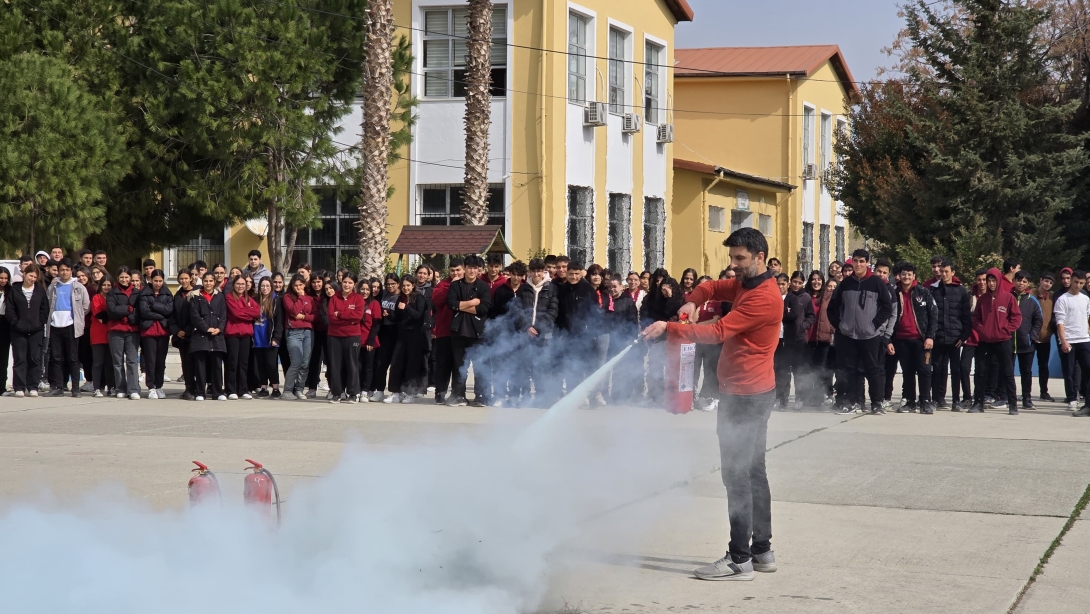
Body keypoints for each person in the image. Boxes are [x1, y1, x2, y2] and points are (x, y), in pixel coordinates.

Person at [642, 228, 782, 581]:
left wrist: (671, 327)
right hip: (749, 391)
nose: (733, 266)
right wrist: (692, 299)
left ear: (761, 257)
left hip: (745, 397)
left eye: (740, 259)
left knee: (736, 476)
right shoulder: (743, 284)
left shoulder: (763, 296)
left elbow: (718, 331)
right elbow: (711, 287)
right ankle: (762, 551)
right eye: (731, 258)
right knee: (753, 472)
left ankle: (739, 559)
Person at [827, 249, 894, 415]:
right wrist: (840, 326)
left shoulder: (876, 283)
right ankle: (854, 402)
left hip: (870, 335)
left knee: (873, 369)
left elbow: (887, 307)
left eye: (862, 261)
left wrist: (874, 325)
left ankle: (877, 403)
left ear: (867, 263)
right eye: (855, 261)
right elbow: (832, 307)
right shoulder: (845, 284)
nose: (858, 264)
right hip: (848, 335)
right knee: (850, 370)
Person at [970, 268, 1022, 415]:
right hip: (985, 341)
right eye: (989, 280)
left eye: (994, 280)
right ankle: (978, 403)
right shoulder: (982, 300)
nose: (991, 283)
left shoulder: (1008, 298)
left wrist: (1006, 330)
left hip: (1003, 341)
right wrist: (982, 330)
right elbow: (975, 318)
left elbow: (1016, 318)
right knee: (980, 372)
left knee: (1007, 372)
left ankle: (1013, 404)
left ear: (999, 281)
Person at [889, 262, 938, 413]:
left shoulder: (923, 292)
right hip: (901, 340)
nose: (906, 277)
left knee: (924, 370)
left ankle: (925, 401)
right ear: (899, 276)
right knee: (907, 372)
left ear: (914, 276)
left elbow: (933, 315)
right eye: (904, 274)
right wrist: (889, 340)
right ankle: (909, 401)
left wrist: (930, 337)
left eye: (909, 274)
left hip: (921, 340)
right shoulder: (893, 293)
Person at [447, 255, 492, 407]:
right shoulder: (455, 285)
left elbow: (484, 308)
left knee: (480, 365)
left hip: (478, 333)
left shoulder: (483, 286)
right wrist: (472, 302)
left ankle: (481, 396)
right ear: (464, 268)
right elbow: (452, 304)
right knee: (459, 366)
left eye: (475, 268)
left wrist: (462, 306)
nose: (472, 270)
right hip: (459, 331)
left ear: (479, 270)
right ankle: (458, 396)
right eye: (469, 267)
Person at [928, 259, 971, 410]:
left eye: (947, 271)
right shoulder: (933, 290)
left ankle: (956, 400)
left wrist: (964, 335)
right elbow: (930, 315)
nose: (943, 274)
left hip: (955, 338)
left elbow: (966, 316)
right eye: (942, 271)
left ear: (953, 272)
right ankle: (935, 399)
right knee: (937, 368)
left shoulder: (961, 291)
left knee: (956, 370)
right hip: (938, 336)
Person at [515, 258, 558, 407]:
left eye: (539, 271)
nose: (536, 274)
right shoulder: (523, 289)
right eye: (534, 271)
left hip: (543, 334)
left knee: (541, 367)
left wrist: (537, 328)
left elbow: (552, 311)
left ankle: (541, 398)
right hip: (525, 334)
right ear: (529, 272)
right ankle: (525, 396)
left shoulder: (551, 288)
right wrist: (527, 326)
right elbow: (518, 310)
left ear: (543, 271)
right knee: (525, 366)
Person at [44, 259, 91, 397]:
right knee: (56, 358)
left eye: (67, 270)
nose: (64, 272)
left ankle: (75, 388)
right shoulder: (52, 287)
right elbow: (48, 304)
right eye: (62, 270)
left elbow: (85, 306)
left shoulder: (78, 287)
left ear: (71, 271)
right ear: (58, 271)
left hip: (71, 326)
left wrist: (75, 317)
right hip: (54, 325)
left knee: (73, 358)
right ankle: (58, 386)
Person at [385, 275, 429, 404]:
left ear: (413, 285)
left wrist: (407, 307)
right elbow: (398, 317)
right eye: (403, 286)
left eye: (408, 285)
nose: (405, 288)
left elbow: (418, 316)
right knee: (396, 363)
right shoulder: (401, 298)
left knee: (412, 365)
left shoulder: (419, 298)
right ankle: (395, 392)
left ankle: (411, 392)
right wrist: (390, 314)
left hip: (415, 336)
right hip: (402, 335)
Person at [6, 264, 49, 397]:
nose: (32, 279)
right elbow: (10, 309)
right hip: (18, 330)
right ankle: (19, 386)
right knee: (19, 359)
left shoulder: (40, 290)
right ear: (24, 274)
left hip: (36, 330)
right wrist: (16, 324)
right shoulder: (15, 289)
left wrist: (39, 323)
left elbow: (44, 309)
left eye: (35, 277)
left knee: (34, 358)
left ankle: (33, 386)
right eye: (30, 275)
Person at [775, 271, 815, 410]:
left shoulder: (804, 298)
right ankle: (781, 399)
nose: (796, 284)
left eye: (799, 282)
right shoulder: (776, 297)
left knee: (798, 370)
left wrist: (802, 326)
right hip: (779, 338)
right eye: (795, 282)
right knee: (781, 370)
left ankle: (799, 397)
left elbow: (810, 316)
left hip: (796, 338)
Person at [325, 273, 367, 404]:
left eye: (349, 282)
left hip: (352, 336)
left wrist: (340, 314)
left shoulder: (358, 298)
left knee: (352, 365)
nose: (346, 285)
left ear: (354, 284)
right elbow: (331, 317)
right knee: (335, 365)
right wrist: (348, 318)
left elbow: (358, 317)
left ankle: (353, 393)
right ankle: (337, 393)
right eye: (344, 282)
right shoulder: (334, 298)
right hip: (334, 336)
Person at [189, 272, 228, 401]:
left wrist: (219, 328)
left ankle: (217, 392)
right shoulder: (195, 297)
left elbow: (223, 315)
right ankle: (200, 392)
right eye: (206, 281)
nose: (208, 284)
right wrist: (206, 328)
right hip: (200, 336)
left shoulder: (220, 296)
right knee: (200, 366)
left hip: (217, 336)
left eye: (211, 281)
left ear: (214, 282)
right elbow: (195, 316)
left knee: (217, 365)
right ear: (202, 282)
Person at [1056, 272, 1090, 416]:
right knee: (1069, 372)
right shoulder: (1062, 299)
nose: (1078, 285)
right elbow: (1060, 322)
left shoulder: (1086, 299)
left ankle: (1088, 402)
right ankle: (1071, 398)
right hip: (1069, 340)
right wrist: (1063, 341)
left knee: (1088, 370)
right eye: (1076, 282)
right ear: (1071, 281)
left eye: (1081, 283)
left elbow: (1087, 317)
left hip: (1084, 339)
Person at [106, 267, 142, 400]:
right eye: (122, 277)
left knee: (132, 361)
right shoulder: (112, 293)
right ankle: (120, 388)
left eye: (126, 277)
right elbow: (111, 311)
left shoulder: (137, 293)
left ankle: (133, 389)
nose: (124, 280)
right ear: (117, 278)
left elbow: (139, 311)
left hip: (132, 331)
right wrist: (128, 309)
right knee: (117, 361)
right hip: (116, 331)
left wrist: (129, 317)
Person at [136, 269, 173, 399]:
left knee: (160, 361)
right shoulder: (144, 294)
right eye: (155, 280)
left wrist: (154, 305)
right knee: (150, 360)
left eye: (160, 281)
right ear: (150, 280)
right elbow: (144, 312)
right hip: (149, 331)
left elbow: (169, 310)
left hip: (163, 331)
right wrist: (160, 315)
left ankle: (159, 386)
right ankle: (151, 387)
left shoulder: (167, 294)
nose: (158, 283)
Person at [223, 275, 260, 400]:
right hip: (233, 334)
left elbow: (257, 312)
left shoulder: (249, 298)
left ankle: (243, 389)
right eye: (238, 284)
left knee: (243, 363)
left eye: (243, 284)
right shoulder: (229, 297)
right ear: (233, 285)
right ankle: (230, 389)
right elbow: (235, 314)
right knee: (232, 362)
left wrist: (245, 311)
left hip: (246, 335)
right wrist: (248, 312)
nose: (240, 286)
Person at [430, 260, 461, 404]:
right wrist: (451, 286)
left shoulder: (469, 284)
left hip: (461, 332)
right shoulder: (443, 285)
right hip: (444, 331)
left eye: (458, 270)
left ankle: (456, 393)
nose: (455, 273)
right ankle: (440, 392)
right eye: (453, 270)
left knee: (458, 365)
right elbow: (436, 300)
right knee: (443, 364)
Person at [606, 274, 639, 404]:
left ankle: (618, 396)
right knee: (606, 368)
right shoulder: (605, 299)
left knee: (621, 369)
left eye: (614, 287)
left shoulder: (628, 302)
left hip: (622, 339)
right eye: (610, 287)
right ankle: (602, 394)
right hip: (608, 339)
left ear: (621, 287)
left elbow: (633, 322)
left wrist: (631, 338)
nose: (612, 289)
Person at [281, 273, 315, 400]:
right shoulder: (287, 297)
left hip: (308, 331)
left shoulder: (310, 298)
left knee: (305, 363)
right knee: (296, 362)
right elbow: (294, 311)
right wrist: (301, 298)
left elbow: (314, 316)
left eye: (301, 285)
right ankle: (288, 390)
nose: (298, 288)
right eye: (296, 285)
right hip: (293, 331)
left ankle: (299, 389)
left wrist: (304, 316)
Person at [1012, 271, 1043, 409]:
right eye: (1019, 280)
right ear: (1014, 281)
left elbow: (1038, 320)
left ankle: (1027, 398)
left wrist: (1033, 336)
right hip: (1008, 342)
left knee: (1026, 371)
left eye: (1024, 281)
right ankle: (1008, 398)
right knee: (1007, 371)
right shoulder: (1007, 297)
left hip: (1027, 343)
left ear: (1028, 284)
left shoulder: (1032, 300)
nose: (1021, 283)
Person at [369, 274, 401, 402]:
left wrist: (391, 314)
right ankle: (380, 390)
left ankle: (396, 392)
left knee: (396, 364)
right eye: (388, 284)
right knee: (380, 363)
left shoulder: (401, 296)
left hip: (397, 332)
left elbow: (403, 314)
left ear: (398, 283)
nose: (390, 286)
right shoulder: (383, 294)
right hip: (384, 332)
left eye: (393, 283)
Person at [806, 271, 834, 407]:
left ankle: (820, 396)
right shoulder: (806, 296)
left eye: (819, 279)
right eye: (813, 279)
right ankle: (810, 395)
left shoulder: (828, 297)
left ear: (823, 281)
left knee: (821, 368)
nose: (816, 282)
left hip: (823, 338)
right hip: (808, 337)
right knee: (809, 369)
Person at [251, 278, 281, 398]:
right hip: (257, 337)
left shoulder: (276, 300)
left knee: (271, 364)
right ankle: (263, 387)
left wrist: (276, 337)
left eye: (267, 286)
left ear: (271, 287)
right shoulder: (255, 300)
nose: (265, 288)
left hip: (270, 338)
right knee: (261, 364)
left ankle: (276, 388)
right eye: (262, 286)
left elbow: (279, 322)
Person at [304, 275, 330, 398]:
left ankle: (332, 387)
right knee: (314, 360)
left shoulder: (328, 295)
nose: (316, 284)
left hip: (329, 332)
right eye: (314, 282)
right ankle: (312, 387)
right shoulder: (308, 296)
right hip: (314, 331)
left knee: (330, 360)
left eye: (319, 282)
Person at [171, 270, 196, 400]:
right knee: (185, 363)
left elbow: (197, 315)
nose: (184, 281)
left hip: (193, 335)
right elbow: (172, 315)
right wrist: (176, 330)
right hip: (181, 336)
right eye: (181, 278)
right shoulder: (177, 295)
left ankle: (196, 387)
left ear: (191, 278)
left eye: (186, 278)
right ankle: (188, 387)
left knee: (194, 363)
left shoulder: (197, 293)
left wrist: (187, 330)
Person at [356, 281, 382, 403]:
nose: (365, 292)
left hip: (369, 342)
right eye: (362, 289)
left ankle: (365, 391)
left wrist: (370, 341)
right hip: (355, 340)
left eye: (367, 289)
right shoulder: (355, 302)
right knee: (356, 367)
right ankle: (356, 390)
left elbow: (376, 325)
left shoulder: (374, 304)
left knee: (368, 367)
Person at [1033, 273, 1056, 402]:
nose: (1047, 284)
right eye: (1046, 281)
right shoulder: (1030, 295)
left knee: (1043, 366)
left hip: (1045, 338)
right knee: (1026, 367)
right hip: (1031, 337)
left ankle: (1044, 392)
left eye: (1050, 283)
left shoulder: (1052, 298)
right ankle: (1026, 393)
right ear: (1040, 280)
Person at [0, 267, 10, 395]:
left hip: (5, 324)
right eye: (1, 278)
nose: (3, 281)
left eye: (5, 278)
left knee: (3, 358)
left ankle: (1, 387)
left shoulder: (10, 291)